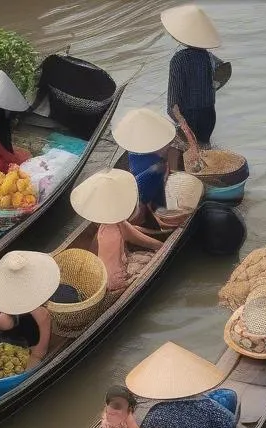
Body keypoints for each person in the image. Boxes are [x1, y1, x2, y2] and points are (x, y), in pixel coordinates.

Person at [71, 169, 162, 294]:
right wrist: (160, 248)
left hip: (109, 272)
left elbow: (132, 233)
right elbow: (113, 271)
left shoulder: (110, 224)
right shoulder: (111, 232)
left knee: (150, 255)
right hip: (112, 281)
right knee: (150, 259)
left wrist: (159, 245)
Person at [0, 250, 62, 366]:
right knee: (6, 322)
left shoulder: (37, 309)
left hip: (31, 331)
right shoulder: (6, 297)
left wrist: (36, 355)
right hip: (19, 324)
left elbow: (44, 318)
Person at [161, 4, 222, 145]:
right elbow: (220, 77)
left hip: (189, 117)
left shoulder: (179, 59)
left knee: (191, 150)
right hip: (209, 115)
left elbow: (172, 105)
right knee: (205, 145)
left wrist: (183, 126)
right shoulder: (210, 57)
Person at [112, 108, 178, 221]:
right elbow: (144, 198)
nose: (168, 144)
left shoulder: (132, 151)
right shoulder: (157, 168)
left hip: (138, 189)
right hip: (147, 203)